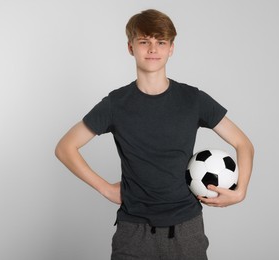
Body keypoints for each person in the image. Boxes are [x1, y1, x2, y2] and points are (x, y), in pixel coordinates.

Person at [55, 9, 254, 260]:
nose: (152, 49)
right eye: (144, 42)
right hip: (133, 231)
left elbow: (243, 143)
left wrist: (241, 190)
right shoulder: (116, 104)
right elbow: (65, 147)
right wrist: (105, 189)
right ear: (131, 47)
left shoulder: (192, 99)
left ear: (171, 48)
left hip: (186, 229)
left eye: (160, 42)